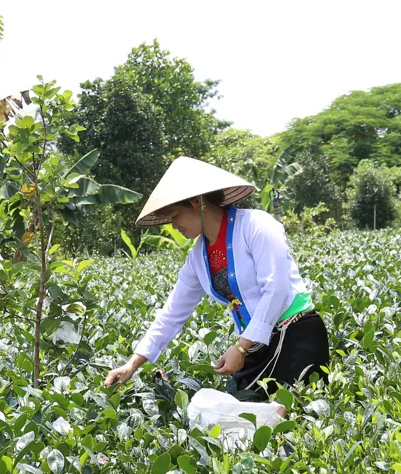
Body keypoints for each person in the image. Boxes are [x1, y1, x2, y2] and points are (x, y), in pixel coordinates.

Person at [104, 157, 330, 400]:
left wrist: (242, 347)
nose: (174, 226)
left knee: (286, 421)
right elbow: (172, 312)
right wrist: (133, 363)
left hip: (295, 337)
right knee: (242, 424)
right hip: (254, 347)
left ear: (196, 202)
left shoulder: (257, 225)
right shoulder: (198, 257)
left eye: (175, 216)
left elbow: (276, 289)